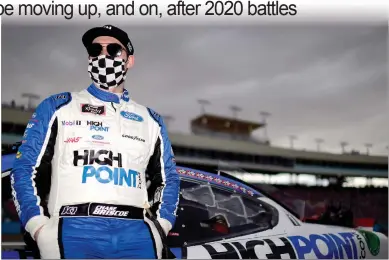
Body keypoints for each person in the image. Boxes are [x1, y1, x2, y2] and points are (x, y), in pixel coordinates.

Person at [10, 25, 180, 259]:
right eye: (95, 50)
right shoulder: (58, 106)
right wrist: (38, 226)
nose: (103, 55)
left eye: (113, 50)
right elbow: (25, 167)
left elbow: (168, 178)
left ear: (129, 60)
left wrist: (161, 226)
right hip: (72, 230)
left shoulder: (151, 119)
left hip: (138, 235)